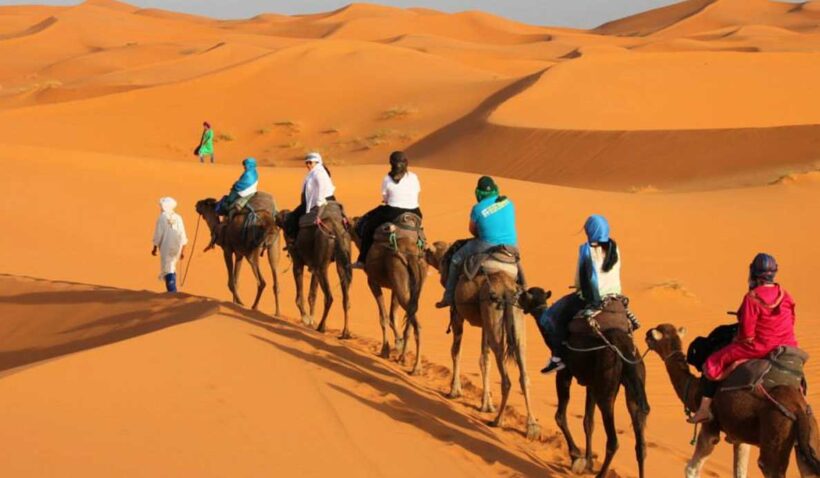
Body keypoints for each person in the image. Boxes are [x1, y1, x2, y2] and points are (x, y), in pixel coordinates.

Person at [687, 253, 797, 424]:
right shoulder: (786, 294)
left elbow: (747, 334)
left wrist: (739, 338)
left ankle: (703, 410)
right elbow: (792, 320)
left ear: (753, 272)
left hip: (759, 346)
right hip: (787, 345)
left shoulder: (752, 298)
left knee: (713, 362)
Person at [536, 215, 639, 374]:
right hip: (616, 297)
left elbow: (580, 279)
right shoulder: (614, 248)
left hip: (592, 299)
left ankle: (558, 358)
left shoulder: (586, 250)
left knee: (551, 316)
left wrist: (579, 287)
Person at [435, 176, 518, 309]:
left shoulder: (477, 208)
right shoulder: (508, 202)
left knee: (456, 259)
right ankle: (524, 288)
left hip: (486, 244)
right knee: (516, 261)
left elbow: (472, 230)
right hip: (511, 246)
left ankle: (448, 297)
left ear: (478, 193)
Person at [352, 151, 422, 269]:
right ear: (406, 163)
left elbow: (385, 198)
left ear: (391, 163)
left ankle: (362, 260)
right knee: (419, 231)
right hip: (415, 211)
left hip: (393, 212)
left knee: (369, 226)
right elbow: (417, 192)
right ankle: (423, 256)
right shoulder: (414, 177)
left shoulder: (387, 179)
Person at [204, 158, 258, 251]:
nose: (244, 167)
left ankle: (227, 231)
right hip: (251, 192)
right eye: (244, 165)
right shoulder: (254, 172)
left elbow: (240, 186)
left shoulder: (248, 174)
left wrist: (234, 186)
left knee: (227, 206)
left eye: (246, 165)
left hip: (243, 194)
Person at [284, 152, 336, 242]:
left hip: (321, 200)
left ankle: (293, 240)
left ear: (317, 162)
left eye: (310, 162)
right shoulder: (315, 172)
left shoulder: (319, 172)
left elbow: (322, 187)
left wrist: (319, 203)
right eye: (306, 163)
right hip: (319, 200)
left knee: (292, 217)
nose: (308, 165)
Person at [152, 197, 188, 292]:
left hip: (166, 246)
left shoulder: (162, 217)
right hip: (177, 246)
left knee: (168, 268)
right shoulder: (178, 217)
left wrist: (154, 248)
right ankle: (172, 291)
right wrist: (183, 250)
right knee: (172, 266)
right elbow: (183, 234)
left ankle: (172, 293)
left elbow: (158, 234)